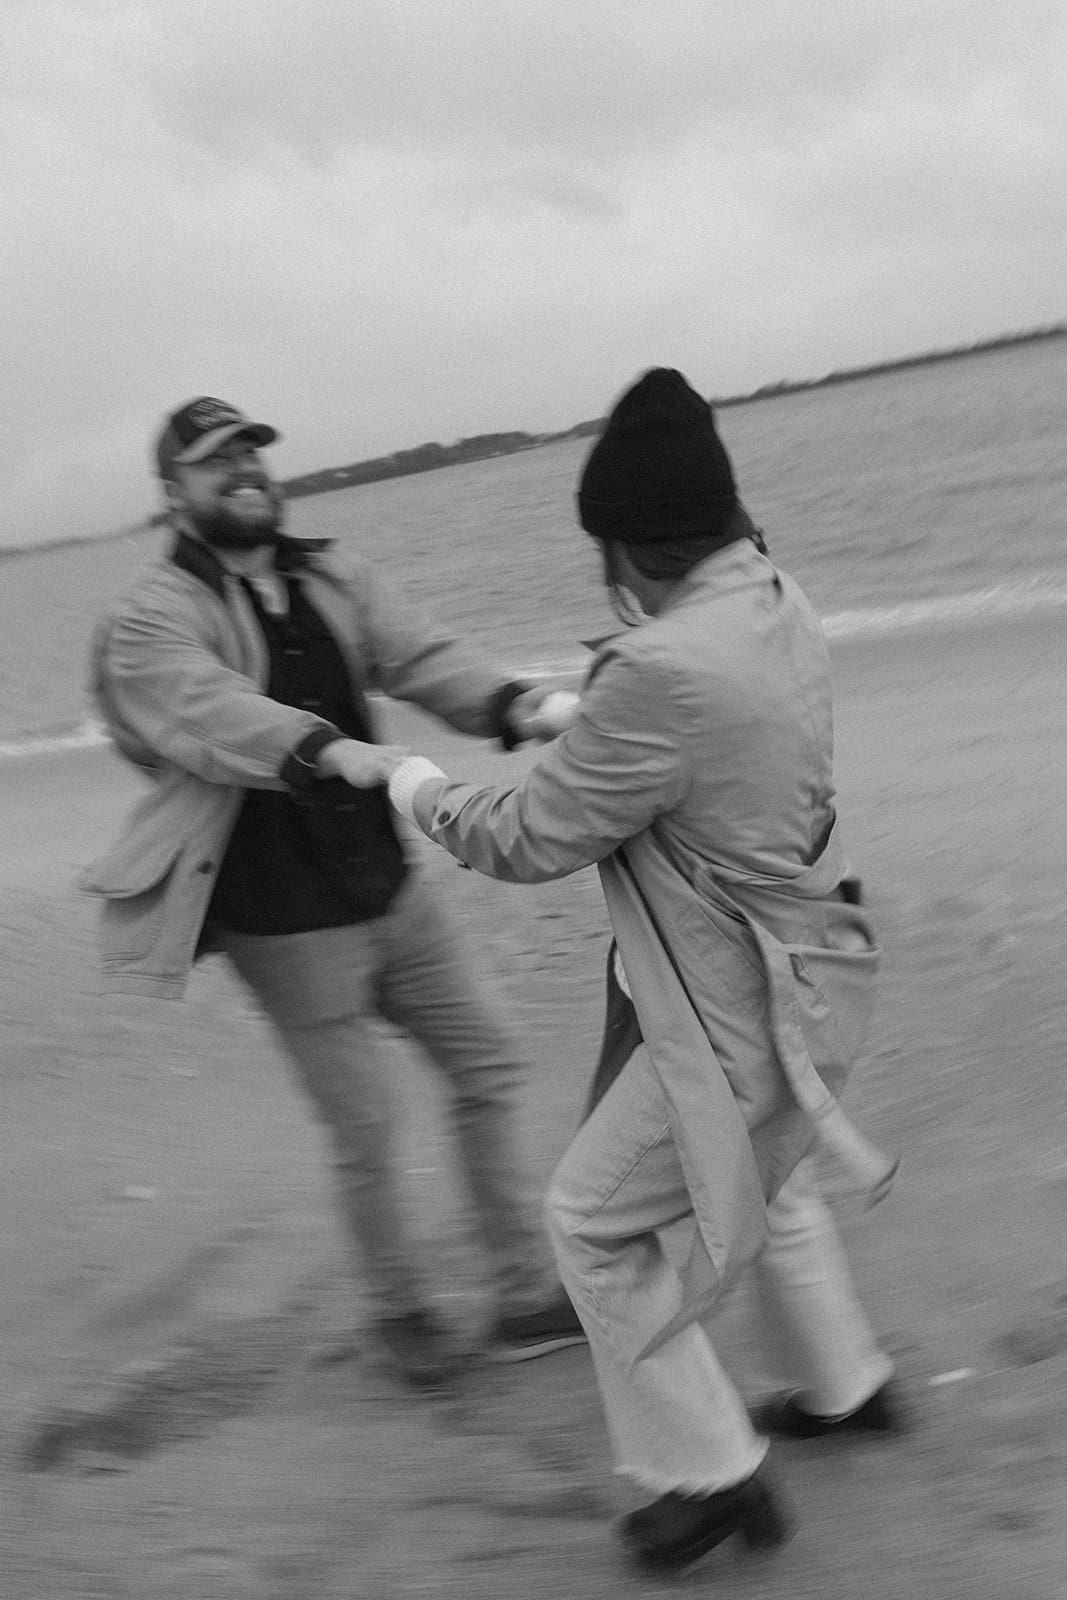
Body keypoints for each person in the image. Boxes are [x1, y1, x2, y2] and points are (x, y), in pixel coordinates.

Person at [384, 369, 905, 1571]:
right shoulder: (777, 599)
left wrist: (415, 786)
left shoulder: (659, 671)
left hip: (723, 1008)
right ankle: (841, 1384)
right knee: (765, 1185)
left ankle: (705, 1472)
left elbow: (526, 836)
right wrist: (588, 718)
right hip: (810, 971)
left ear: (627, 545)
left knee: (589, 1223)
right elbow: (706, 742)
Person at [80, 396, 584, 1390]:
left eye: (254, 454)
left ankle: (524, 1294)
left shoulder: (332, 572)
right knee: (366, 1125)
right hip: (285, 918)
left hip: (391, 889)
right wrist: (328, 747)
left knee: (488, 1063)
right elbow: (204, 709)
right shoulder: (149, 616)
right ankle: (399, 1310)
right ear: (173, 492)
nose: (246, 472)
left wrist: (514, 703)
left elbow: (418, 652)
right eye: (218, 462)